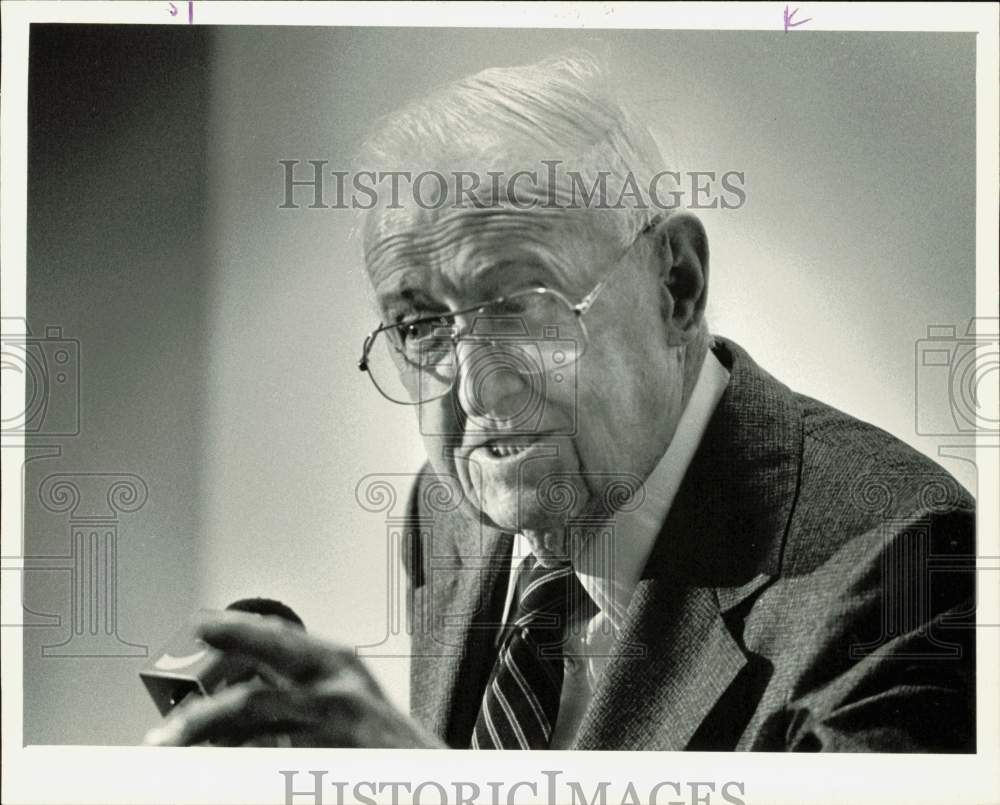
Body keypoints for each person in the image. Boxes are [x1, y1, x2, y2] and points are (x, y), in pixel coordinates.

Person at [144, 54, 975, 751]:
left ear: (675, 285)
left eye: (521, 303)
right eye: (420, 325)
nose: (476, 387)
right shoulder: (452, 511)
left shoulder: (903, 566)